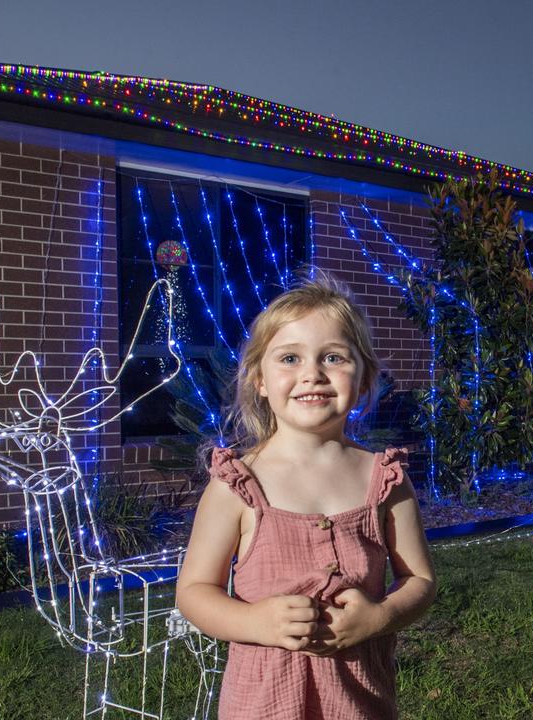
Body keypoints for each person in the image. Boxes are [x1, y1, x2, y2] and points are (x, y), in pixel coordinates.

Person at [177, 275, 437, 720]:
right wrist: (255, 621)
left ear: (363, 378)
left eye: (333, 357)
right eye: (290, 358)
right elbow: (195, 591)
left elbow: (421, 582)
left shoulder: (385, 481)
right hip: (261, 704)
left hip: (360, 703)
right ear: (259, 380)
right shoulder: (238, 484)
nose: (311, 374)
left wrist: (381, 616)